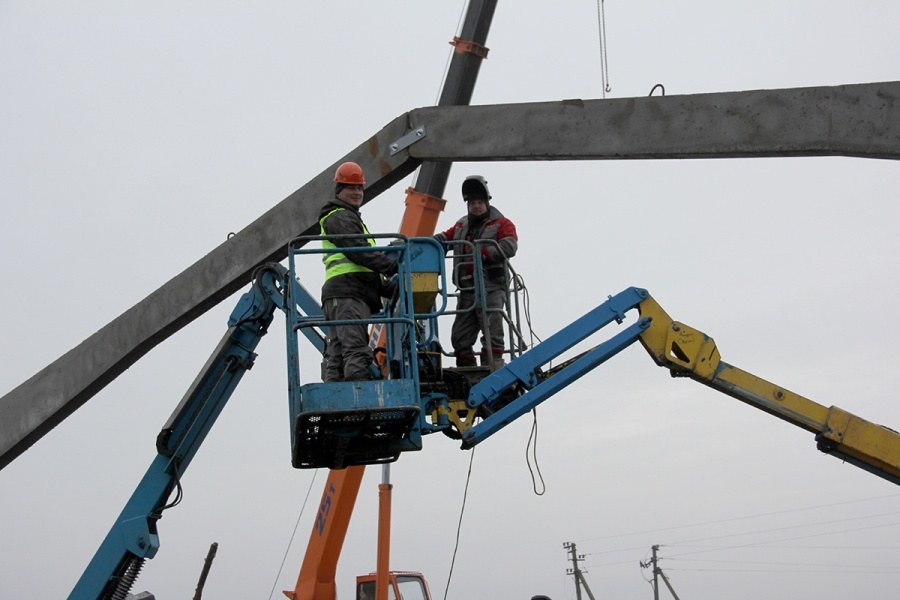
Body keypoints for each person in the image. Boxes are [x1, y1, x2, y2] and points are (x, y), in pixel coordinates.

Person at [319, 161, 397, 382]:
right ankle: (358, 396)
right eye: (351, 188)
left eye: (360, 188)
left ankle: (333, 396)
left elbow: (361, 266)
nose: (357, 192)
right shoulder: (340, 217)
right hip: (348, 294)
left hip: (343, 292)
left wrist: (387, 287)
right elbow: (359, 253)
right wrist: (392, 267)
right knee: (354, 349)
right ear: (339, 191)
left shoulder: (345, 217)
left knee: (337, 351)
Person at [434, 175, 518, 368]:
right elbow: (443, 238)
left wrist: (482, 253)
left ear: (487, 202)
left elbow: (509, 246)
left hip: (491, 287)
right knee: (460, 337)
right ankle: (468, 371)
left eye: (480, 202)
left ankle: (494, 370)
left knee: (492, 332)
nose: (476, 206)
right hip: (467, 289)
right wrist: (421, 243)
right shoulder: (461, 226)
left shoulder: (502, 223)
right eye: (472, 202)